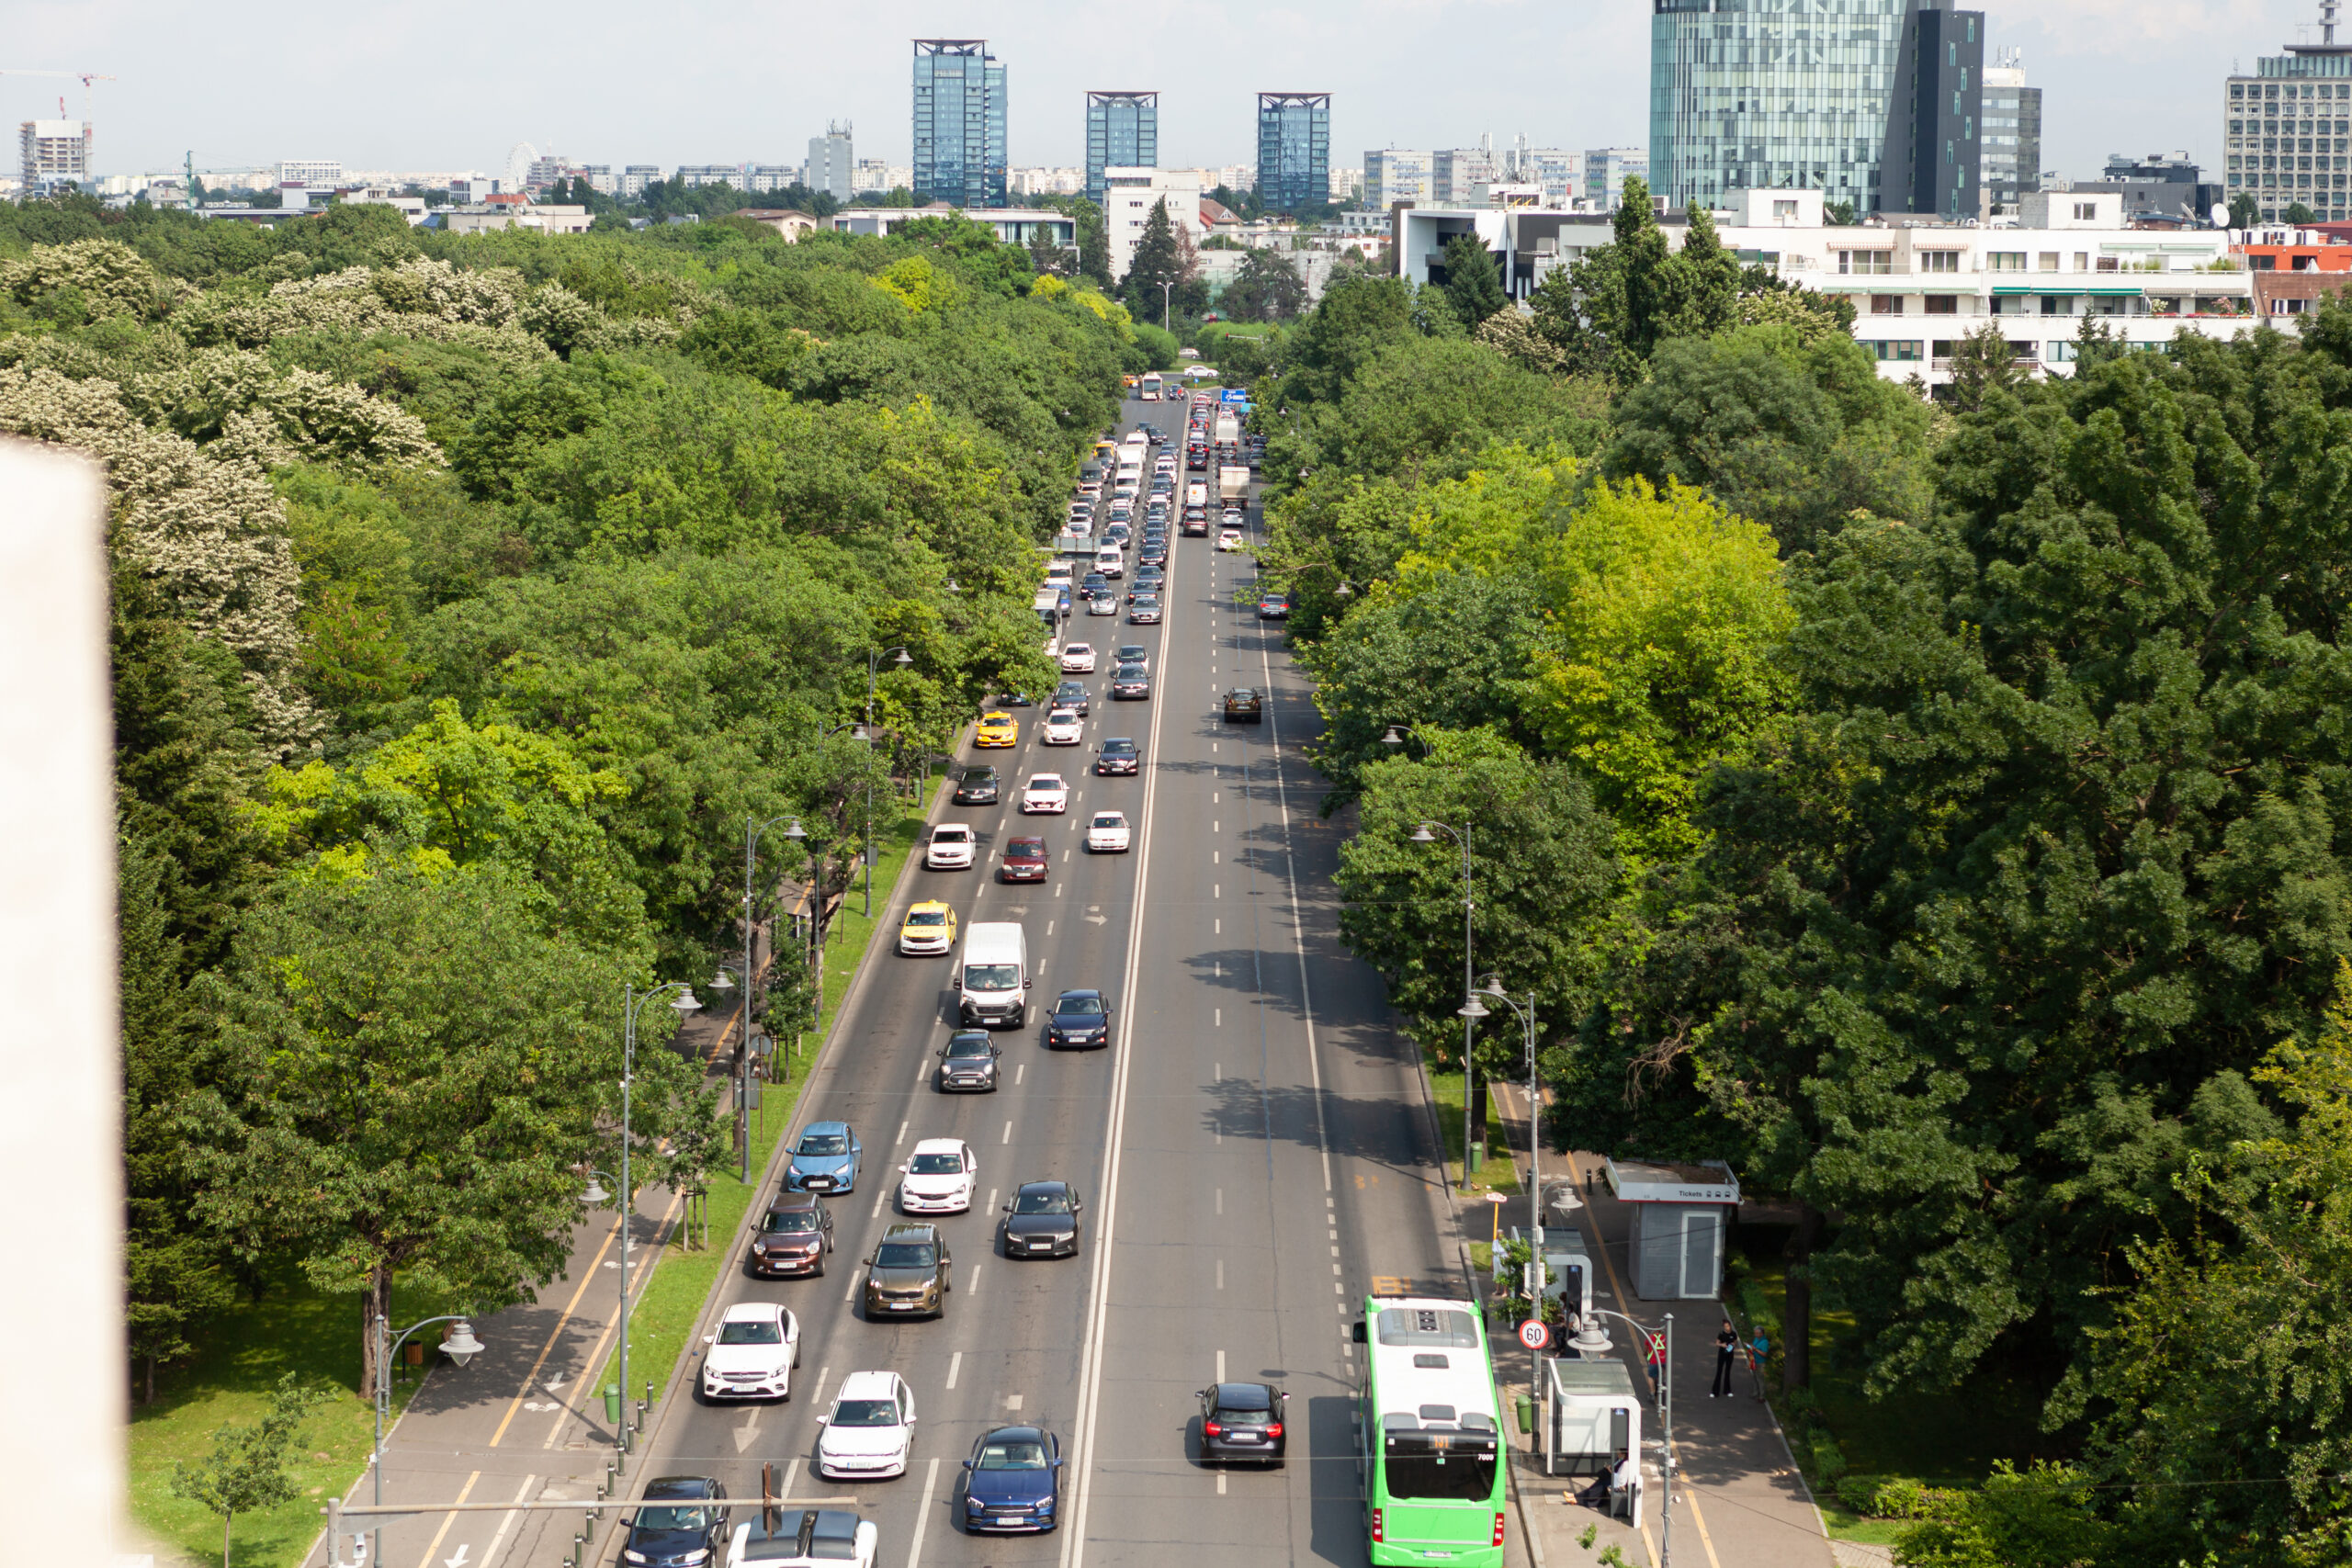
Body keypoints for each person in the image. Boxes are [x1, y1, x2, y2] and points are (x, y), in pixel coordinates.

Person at [1711, 1319, 1739, 1397]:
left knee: (1727, 1372)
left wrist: (1733, 1344)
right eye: (1726, 1326)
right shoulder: (1721, 1334)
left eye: (1728, 1326)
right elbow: (1717, 1343)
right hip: (1722, 1354)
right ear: (1723, 1327)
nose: (1727, 1328)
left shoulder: (1733, 1334)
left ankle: (1727, 1390)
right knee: (1719, 1371)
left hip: (1730, 1355)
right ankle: (1715, 1391)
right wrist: (1722, 1345)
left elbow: (1735, 1342)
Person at [1643, 1329, 1666, 1395]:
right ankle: (1663, 1380)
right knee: (1662, 1371)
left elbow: (1646, 1348)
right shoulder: (1664, 1338)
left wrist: (1645, 1353)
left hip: (1654, 1361)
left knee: (1650, 1376)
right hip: (1663, 1360)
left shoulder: (1650, 1338)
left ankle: (1652, 1393)